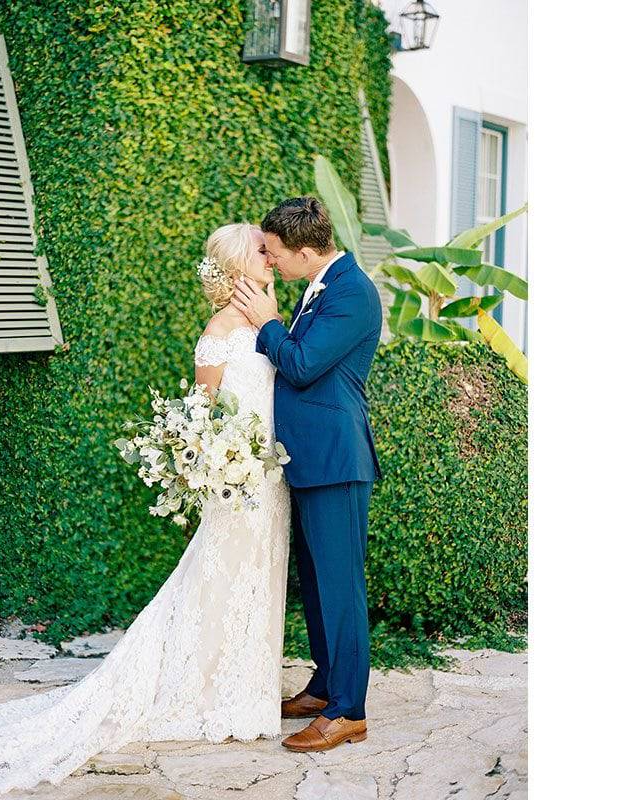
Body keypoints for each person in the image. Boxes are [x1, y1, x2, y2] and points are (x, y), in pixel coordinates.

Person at [0, 222, 291, 795]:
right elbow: (201, 417)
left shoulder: (273, 321)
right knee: (223, 579)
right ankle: (210, 691)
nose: (270, 255)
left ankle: (247, 687)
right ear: (234, 265)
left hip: (270, 480)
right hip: (237, 483)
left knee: (260, 579)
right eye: (260, 249)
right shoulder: (218, 333)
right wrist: (216, 463)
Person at [232, 196, 382, 753]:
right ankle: (324, 687)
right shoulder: (323, 285)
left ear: (303, 250)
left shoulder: (352, 293)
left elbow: (299, 365)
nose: (270, 262)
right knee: (319, 585)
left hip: (337, 460)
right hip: (309, 459)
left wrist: (267, 323)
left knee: (340, 587)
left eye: (273, 253)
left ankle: (349, 710)